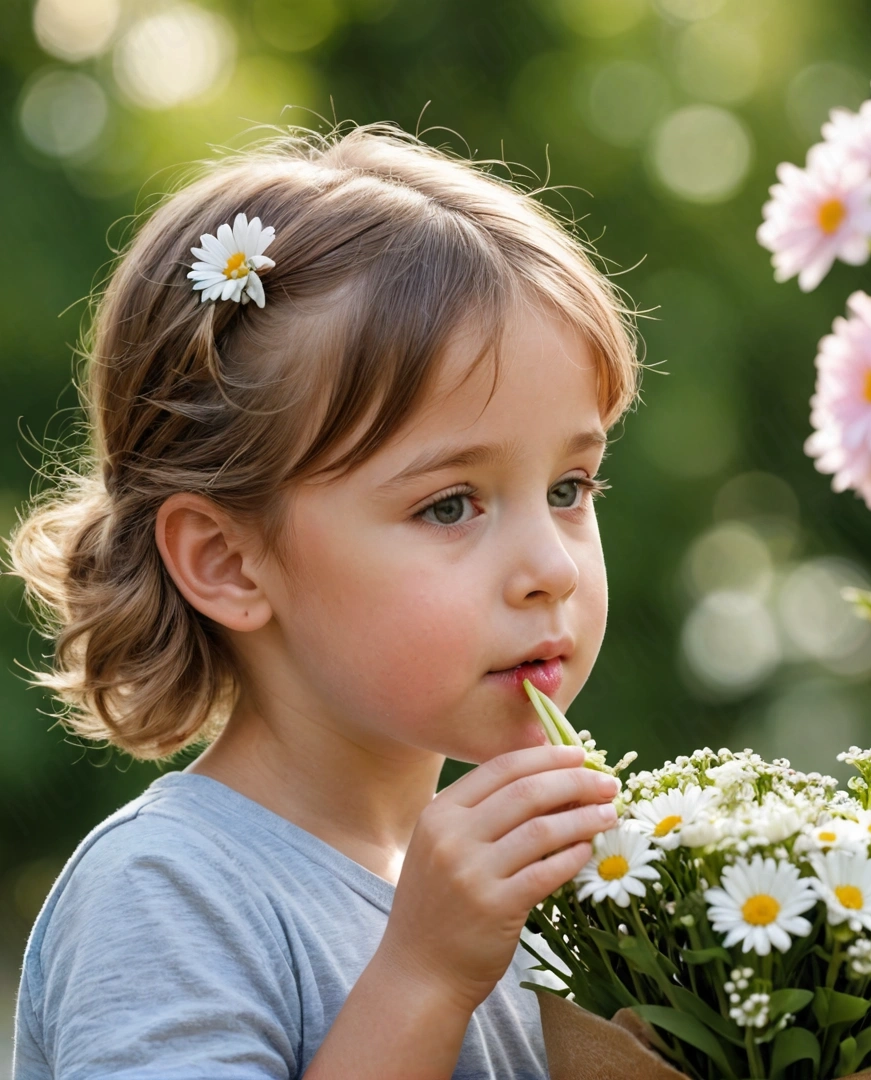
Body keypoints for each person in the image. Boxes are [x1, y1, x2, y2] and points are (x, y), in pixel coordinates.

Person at [5, 122, 644, 1079]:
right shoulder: (167, 892)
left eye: (570, 488)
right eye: (450, 505)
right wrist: (422, 978)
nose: (549, 566)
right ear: (227, 561)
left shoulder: (532, 895)